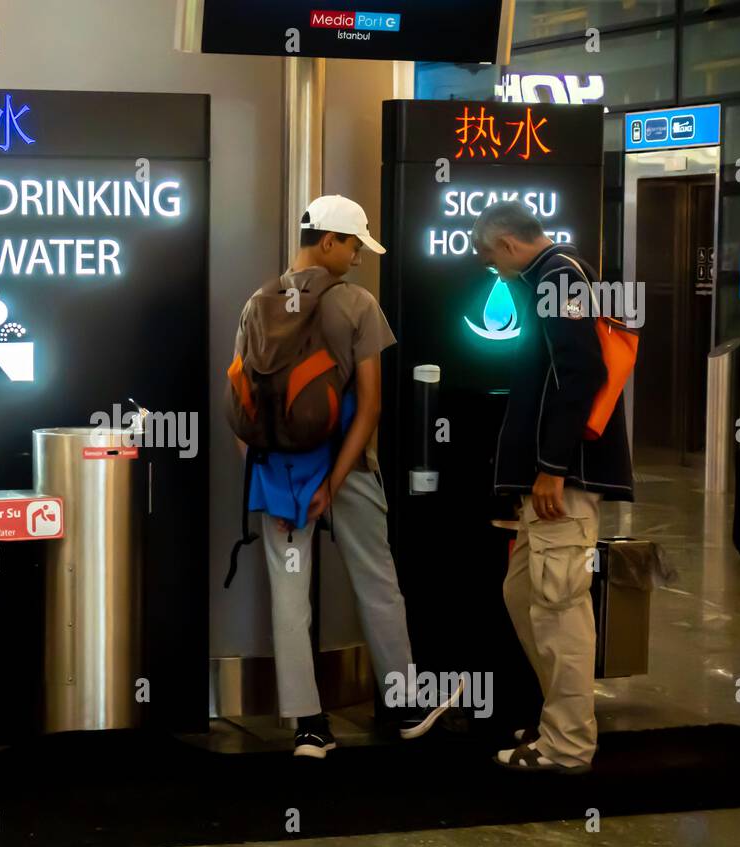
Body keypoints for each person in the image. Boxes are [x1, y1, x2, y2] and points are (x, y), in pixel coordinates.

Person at [229, 195, 462, 759]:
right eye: (354, 244)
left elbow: (242, 402)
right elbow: (373, 405)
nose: (358, 256)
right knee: (377, 583)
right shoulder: (357, 304)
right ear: (328, 240)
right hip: (349, 469)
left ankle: (309, 727)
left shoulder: (257, 303)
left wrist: (271, 475)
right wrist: (333, 481)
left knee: (289, 594)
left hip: (280, 473)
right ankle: (406, 708)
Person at [470, 201, 634, 774]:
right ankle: (560, 722)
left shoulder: (559, 275)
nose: (496, 271)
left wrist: (552, 465)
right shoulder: (558, 275)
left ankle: (567, 746)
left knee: (559, 604)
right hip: (552, 477)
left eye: (493, 259)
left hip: (564, 476)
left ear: (508, 244)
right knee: (527, 595)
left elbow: (580, 370)